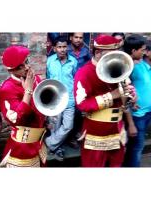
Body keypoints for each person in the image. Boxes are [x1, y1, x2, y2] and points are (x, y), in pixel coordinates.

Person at [74, 34, 137, 167]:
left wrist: (131, 96)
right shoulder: (84, 72)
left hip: (118, 132)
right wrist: (111, 96)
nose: (116, 58)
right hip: (96, 134)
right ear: (97, 53)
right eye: (111, 54)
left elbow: (125, 99)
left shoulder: (120, 68)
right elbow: (82, 104)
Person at [0, 45, 47, 167]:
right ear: (11, 70)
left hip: (38, 144)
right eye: (20, 67)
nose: (26, 67)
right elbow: (16, 119)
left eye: (26, 62)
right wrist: (28, 91)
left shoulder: (35, 78)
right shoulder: (7, 88)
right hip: (21, 148)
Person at [44, 36, 77, 161]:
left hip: (69, 99)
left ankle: (50, 143)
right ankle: (57, 148)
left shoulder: (73, 62)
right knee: (55, 126)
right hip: (55, 100)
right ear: (54, 48)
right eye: (59, 47)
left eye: (64, 47)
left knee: (68, 126)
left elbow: (74, 79)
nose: (62, 49)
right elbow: (47, 80)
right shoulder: (49, 61)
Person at [123, 34, 150, 167]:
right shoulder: (128, 68)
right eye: (142, 50)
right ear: (133, 51)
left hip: (145, 114)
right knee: (136, 149)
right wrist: (131, 123)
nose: (144, 52)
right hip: (136, 117)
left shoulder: (142, 65)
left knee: (135, 148)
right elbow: (125, 97)